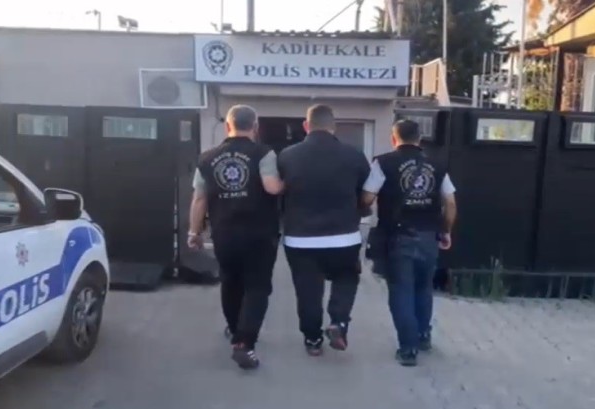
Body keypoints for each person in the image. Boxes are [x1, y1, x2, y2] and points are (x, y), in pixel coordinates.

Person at [188, 104, 284, 370]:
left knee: (230, 282)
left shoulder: (206, 158)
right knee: (257, 287)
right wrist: (289, 182)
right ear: (255, 126)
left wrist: (194, 232)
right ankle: (244, 343)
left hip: (224, 233)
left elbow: (199, 199)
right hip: (259, 234)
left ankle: (234, 329)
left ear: (227, 126)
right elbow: (271, 187)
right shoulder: (263, 153)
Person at [362, 119, 457, 367]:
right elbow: (450, 203)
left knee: (401, 290)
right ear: (419, 139)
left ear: (394, 138)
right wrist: (445, 231)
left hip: (398, 237)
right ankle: (423, 336)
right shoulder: (437, 164)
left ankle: (408, 349)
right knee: (423, 288)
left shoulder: (383, 163)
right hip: (429, 237)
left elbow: (368, 197)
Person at [278, 104, 370, 356]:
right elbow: (367, 193)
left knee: (307, 290)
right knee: (346, 277)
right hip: (344, 236)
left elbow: (278, 193)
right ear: (333, 126)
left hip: (300, 238)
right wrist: (361, 211)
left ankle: (312, 339)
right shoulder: (354, 155)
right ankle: (338, 322)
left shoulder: (287, 156)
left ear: (306, 126)